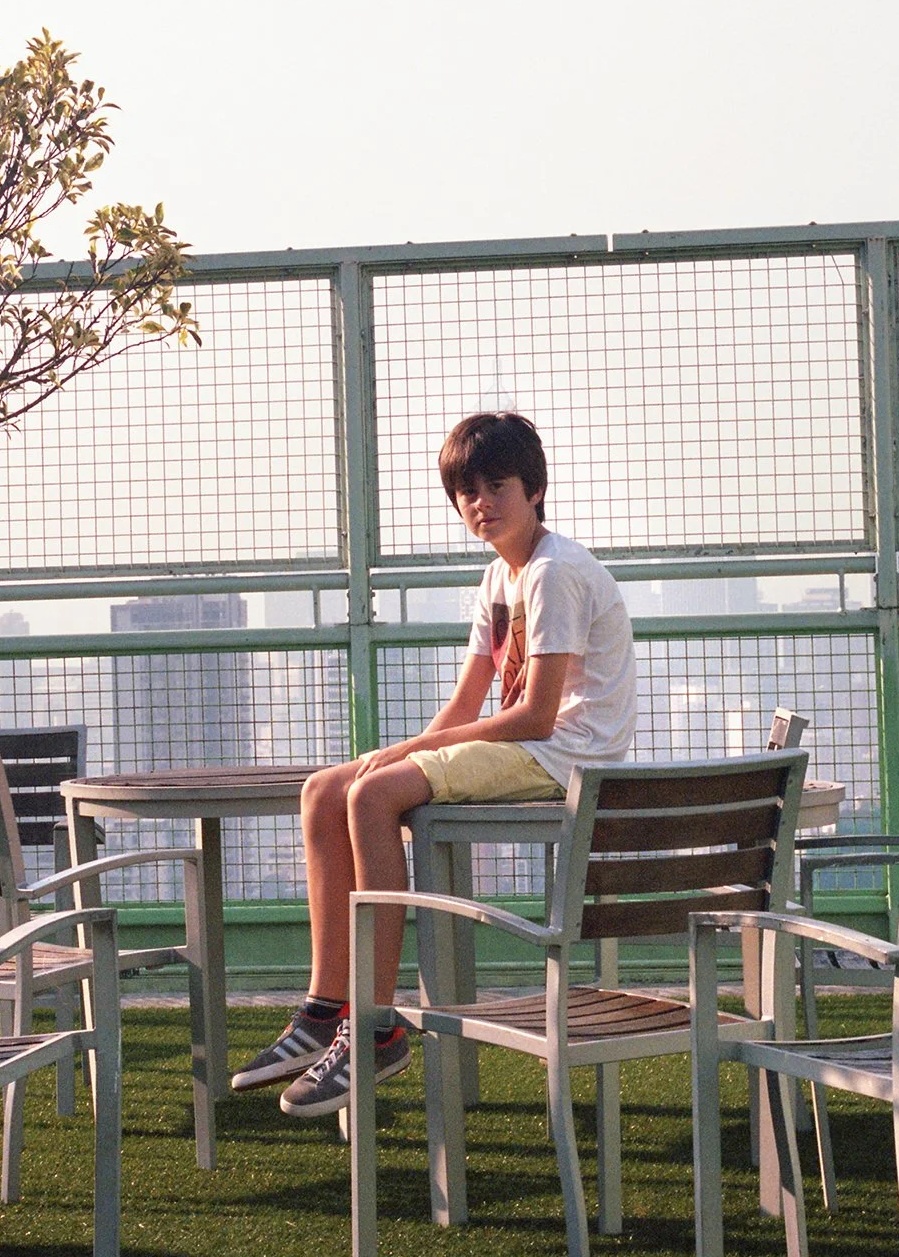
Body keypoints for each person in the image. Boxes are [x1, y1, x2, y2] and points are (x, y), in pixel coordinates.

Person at [234, 409, 637, 1118]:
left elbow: (537, 716)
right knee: (326, 789)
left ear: (535, 489)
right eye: (466, 492)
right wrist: (399, 748)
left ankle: (378, 1023)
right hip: (528, 747)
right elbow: (466, 705)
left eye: (497, 486)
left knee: (371, 799)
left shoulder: (554, 573)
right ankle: (326, 1008)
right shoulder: (497, 580)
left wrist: (408, 757)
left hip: (564, 755)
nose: (481, 504)